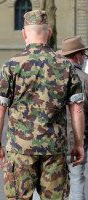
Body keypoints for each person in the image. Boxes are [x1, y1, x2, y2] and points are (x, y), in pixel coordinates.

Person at [0, 10, 85, 199]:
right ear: (49, 32)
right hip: (54, 150)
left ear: (24, 33)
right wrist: (79, 143)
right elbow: (77, 108)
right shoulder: (65, 65)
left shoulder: (11, 65)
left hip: (20, 149)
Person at [58, 36, 88, 200]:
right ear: (77, 56)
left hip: (51, 140)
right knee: (77, 180)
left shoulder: (52, 77)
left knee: (46, 184)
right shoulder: (84, 79)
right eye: (83, 54)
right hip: (77, 139)